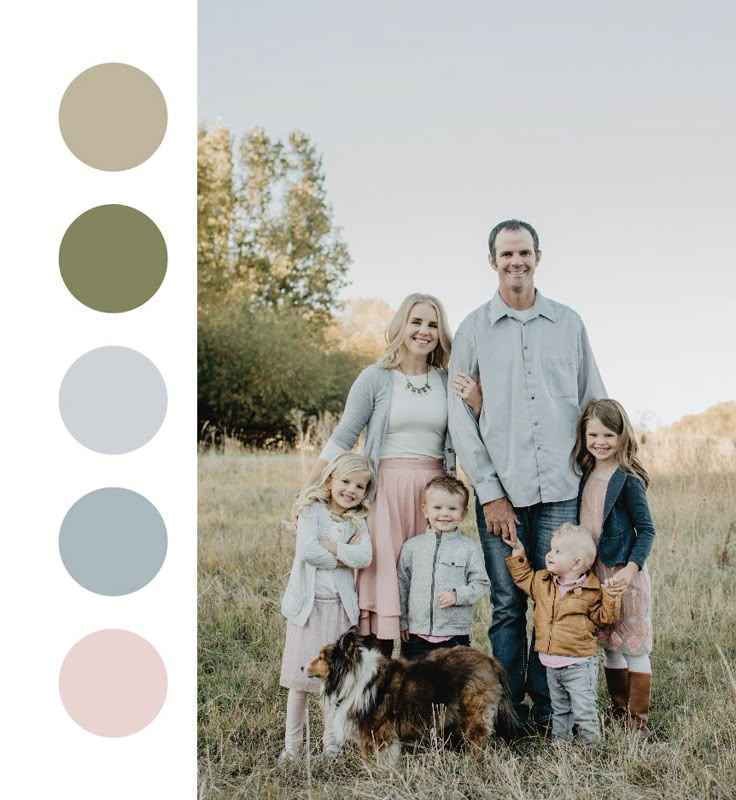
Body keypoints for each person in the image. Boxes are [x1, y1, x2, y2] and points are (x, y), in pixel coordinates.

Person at [448, 219, 606, 728]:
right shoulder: (473, 329)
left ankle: (551, 706)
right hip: (503, 492)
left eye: (524, 253)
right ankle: (507, 710)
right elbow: (461, 421)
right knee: (507, 604)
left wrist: (606, 474)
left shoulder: (568, 323)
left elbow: (593, 402)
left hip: (561, 489)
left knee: (555, 597)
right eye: (506, 254)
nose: (516, 262)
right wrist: (490, 495)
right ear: (491, 261)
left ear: (538, 256)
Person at [301, 293, 481, 658]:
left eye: (432, 324)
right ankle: (377, 688)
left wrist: (476, 401)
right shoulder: (376, 378)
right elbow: (344, 436)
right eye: (416, 322)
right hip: (384, 494)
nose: (424, 331)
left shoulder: (448, 380)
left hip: (432, 499)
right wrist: (309, 487)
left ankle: (422, 690)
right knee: (382, 591)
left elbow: (473, 430)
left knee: (426, 587)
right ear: (401, 326)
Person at [279, 451, 374, 763]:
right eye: (346, 481)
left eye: (359, 487)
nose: (351, 490)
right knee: (300, 682)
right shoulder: (311, 511)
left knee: (334, 682)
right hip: (308, 609)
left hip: (339, 610)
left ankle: (331, 742)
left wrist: (333, 547)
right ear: (331, 478)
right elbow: (307, 551)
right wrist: (344, 557)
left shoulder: (357, 520)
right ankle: (292, 747)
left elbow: (365, 558)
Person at [572, 398, 656, 739]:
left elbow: (646, 529)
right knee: (609, 644)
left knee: (633, 645)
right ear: (584, 436)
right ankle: (618, 711)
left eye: (609, 434)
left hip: (625, 575)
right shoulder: (584, 475)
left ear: (622, 436)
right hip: (596, 575)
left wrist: (632, 568)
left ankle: (638, 722)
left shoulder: (628, 479)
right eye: (593, 434)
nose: (600, 442)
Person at [503, 523, 621, 744]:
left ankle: (590, 747)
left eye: (558, 551)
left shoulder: (591, 590)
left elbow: (605, 618)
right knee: (559, 709)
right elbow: (524, 578)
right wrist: (518, 551)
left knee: (583, 709)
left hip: (579, 663)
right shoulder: (544, 583)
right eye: (551, 549)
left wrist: (612, 597)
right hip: (552, 664)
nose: (549, 554)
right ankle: (561, 746)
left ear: (577, 563)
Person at [398, 475, 490, 661]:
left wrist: (458, 595)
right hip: (417, 634)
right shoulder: (412, 547)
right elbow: (402, 583)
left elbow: (482, 583)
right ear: (425, 510)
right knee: (416, 685)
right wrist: (402, 621)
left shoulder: (468, 548)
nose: (445, 514)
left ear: (463, 513)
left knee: (452, 685)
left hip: (454, 634)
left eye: (452, 508)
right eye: (437, 508)